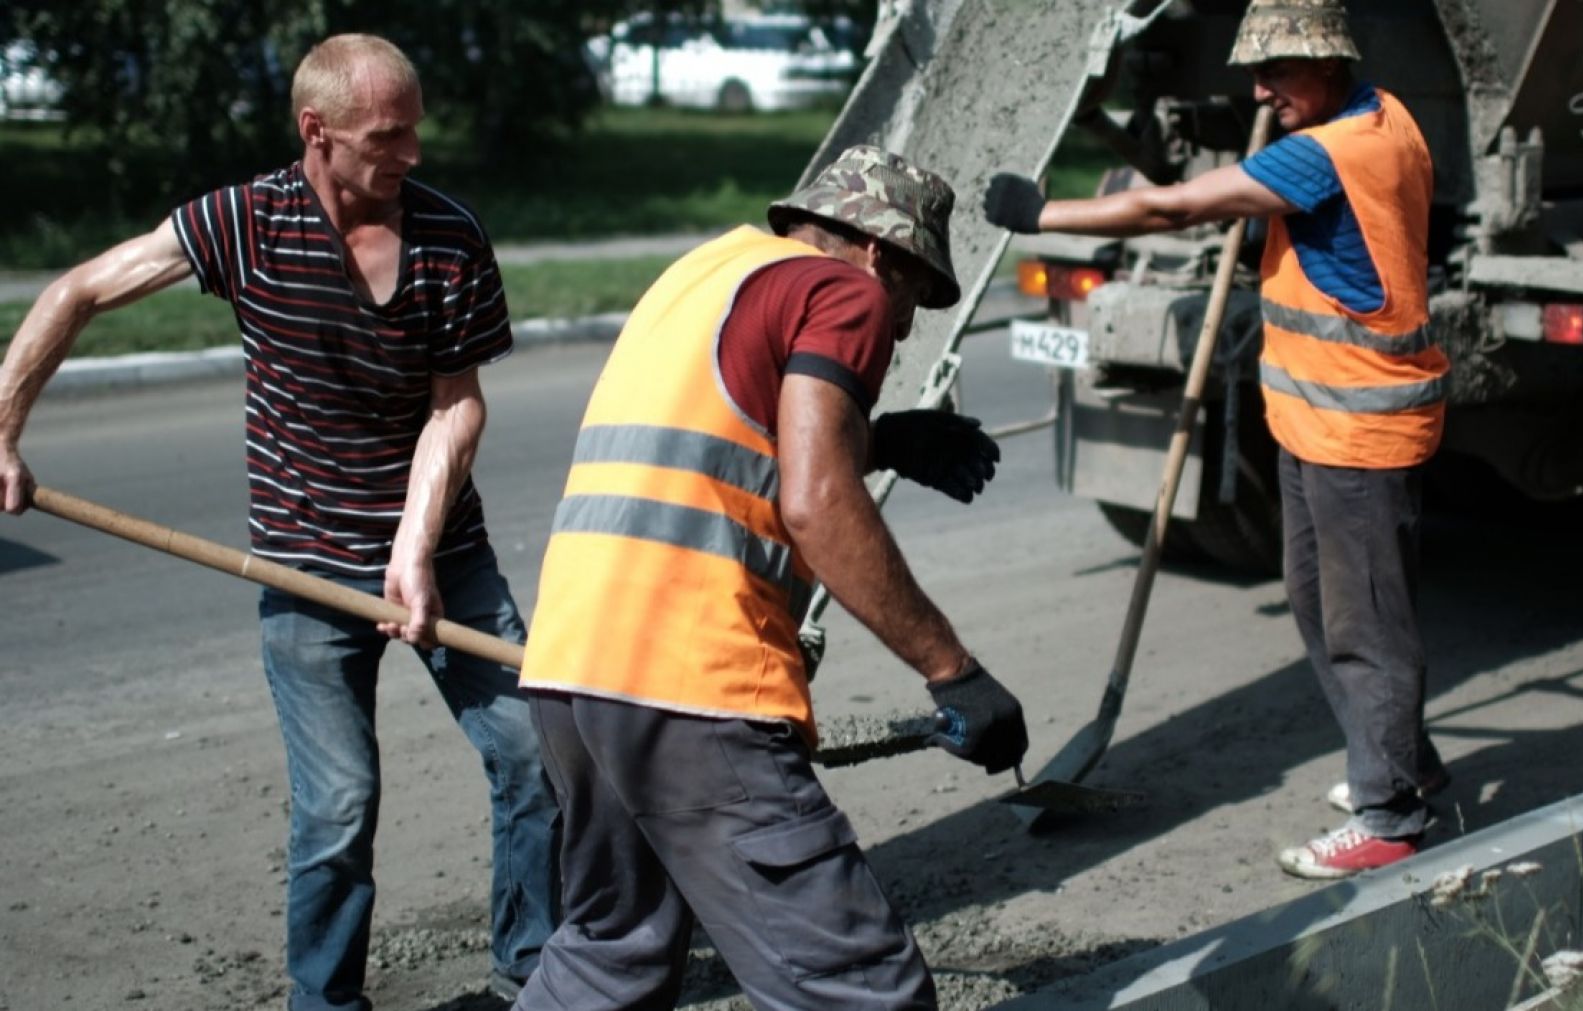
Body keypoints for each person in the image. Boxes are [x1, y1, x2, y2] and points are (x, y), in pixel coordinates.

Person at [0, 34, 557, 1007]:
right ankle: (324, 1002)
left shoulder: (449, 237)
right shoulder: (244, 223)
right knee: (340, 808)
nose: (413, 154)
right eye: (390, 136)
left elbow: (454, 405)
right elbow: (77, 290)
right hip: (302, 566)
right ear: (319, 134)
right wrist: (2, 433)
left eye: (417, 130)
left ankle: (538, 970)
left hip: (442, 554)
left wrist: (413, 552)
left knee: (535, 755)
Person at [515, 145, 1027, 1009]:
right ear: (880, 252)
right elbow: (816, 499)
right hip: (693, 687)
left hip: (574, 677)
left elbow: (730, 434)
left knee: (611, 957)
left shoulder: (703, 271)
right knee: (859, 990)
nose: (901, 329)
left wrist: (886, 440)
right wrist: (954, 670)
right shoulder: (847, 290)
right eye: (911, 298)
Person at [982, 0, 1449, 880]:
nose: (1261, 89)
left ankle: (1391, 815)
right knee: (1318, 604)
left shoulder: (1331, 154)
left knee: (1367, 626)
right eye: (1256, 74)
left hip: (1359, 430)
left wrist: (1044, 216)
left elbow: (1170, 209)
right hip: (1317, 422)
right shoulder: (1382, 112)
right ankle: (1404, 764)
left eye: (1277, 72)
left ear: (1328, 61)